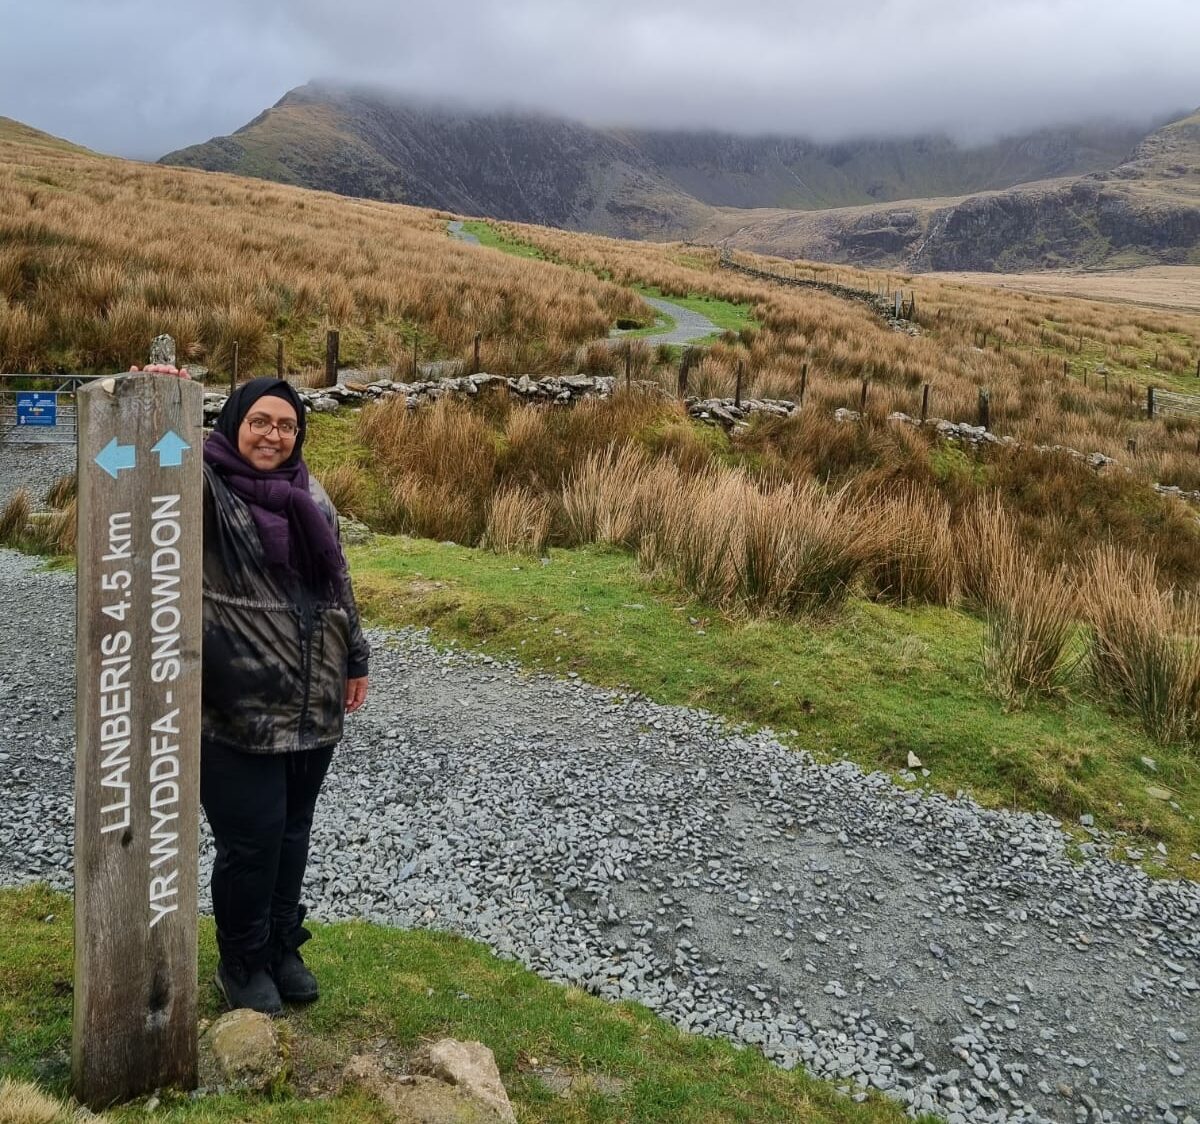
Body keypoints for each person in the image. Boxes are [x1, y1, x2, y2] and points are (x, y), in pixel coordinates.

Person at [196, 375, 370, 1015]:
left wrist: (355, 655)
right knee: (252, 839)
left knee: (293, 830)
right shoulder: (204, 486)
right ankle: (240, 960)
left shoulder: (309, 493)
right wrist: (148, 391)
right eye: (261, 421)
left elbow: (337, 580)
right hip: (236, 705)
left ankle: (277, 946)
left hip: (312, 701)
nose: (273, 435)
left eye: (287, 425)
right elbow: (138, 451)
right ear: (234, 422)